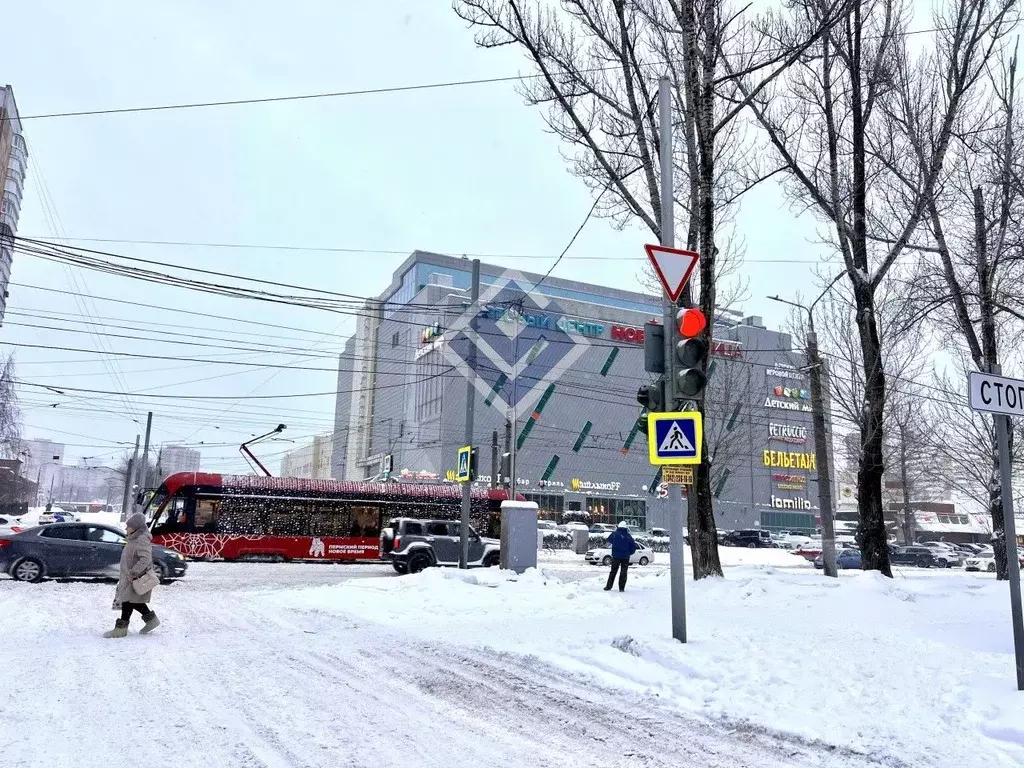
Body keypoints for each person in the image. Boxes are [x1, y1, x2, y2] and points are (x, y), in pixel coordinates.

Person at [104, 512, 160, 638]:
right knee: (132, 601)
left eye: (128, 526)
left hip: (135, 576)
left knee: (128, 600)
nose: (126, 528)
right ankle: (150, 620)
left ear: (136, 528)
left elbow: (145, 558)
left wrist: (134, 572)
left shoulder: (141, 539)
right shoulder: (134, 538)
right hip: (129, 576)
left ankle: (121, 629)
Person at [604, 521, 638, 592]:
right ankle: (621, 588)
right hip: (625, 557)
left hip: (616, 557)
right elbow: (633, 547)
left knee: (613, 571)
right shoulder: (628, 536)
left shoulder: (614, 534)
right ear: (626, 528)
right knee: (623, 572)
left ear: (618, 527)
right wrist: (629, 553)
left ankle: (608, 586)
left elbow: (607, 543)